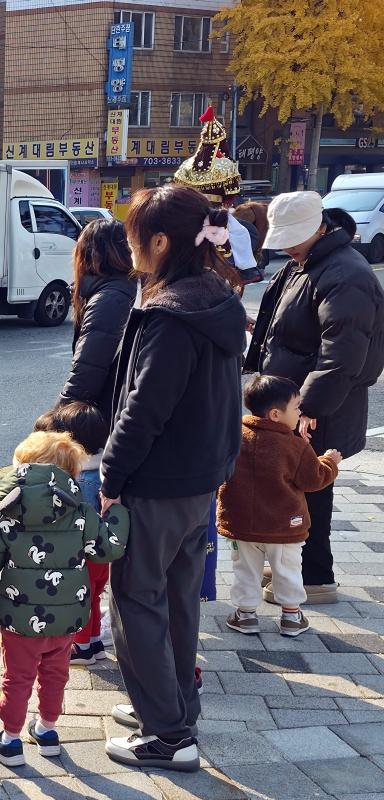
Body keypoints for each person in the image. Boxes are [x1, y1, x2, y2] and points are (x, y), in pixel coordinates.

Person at [99, 185, 245, 772]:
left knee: (136, 601)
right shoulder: (216, 298)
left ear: (160, 241)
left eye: (136, 237)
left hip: (157, 485)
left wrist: (111, 473)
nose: (131, 246)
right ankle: (174, 706)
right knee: (180, 601)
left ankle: (168, 734)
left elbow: (143, 408)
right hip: (201, 481)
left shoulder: (167, 313)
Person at [247, 191, 384, 604]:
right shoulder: (308, 263)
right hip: (295, 401)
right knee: (298, 486)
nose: (287, 245)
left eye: (294, 236)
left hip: (314, 405)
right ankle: (297, 566)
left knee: (311, 487)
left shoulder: (344, 273)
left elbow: (341, 353)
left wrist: (307, 408)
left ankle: (314, 575)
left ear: (320, 227)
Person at [0, 430, 129, 768]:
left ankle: (9, 740)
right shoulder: (81, 512)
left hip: (19, 620)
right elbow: (107, 550)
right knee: (55, 673)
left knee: (17, 677)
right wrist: (117, 513)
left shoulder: (4, 514)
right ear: (70, 474)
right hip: (68, 617)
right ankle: (47, 730)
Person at [218, 375, 341, 638]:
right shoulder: (294, 445)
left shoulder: (233, 436)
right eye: (296, 407)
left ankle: (246, 615)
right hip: (284, 526)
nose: (300, 413)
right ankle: (291, 615)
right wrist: (329, 462)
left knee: (245, 569)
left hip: (242, 525)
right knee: (287, 569)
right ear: (275, 414)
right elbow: (314, 478)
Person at [34, 401, 112, 666]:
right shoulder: (106, 472)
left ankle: (81, 647)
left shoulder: (78, 478)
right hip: (102, 553)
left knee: (78, 598)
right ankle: (94, 643)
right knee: (94, 596)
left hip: (80, 554)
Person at [59, 218, 137, 423]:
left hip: (107, 413)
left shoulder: (110, 299)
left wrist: (55, 421)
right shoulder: (124, 287)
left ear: (88, 255)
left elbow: (86, 372)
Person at [171, 106, 258, 283]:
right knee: (241, 233)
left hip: (190, 211)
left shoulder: (187, 164)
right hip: (215, 211)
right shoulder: (225, 165)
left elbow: (178, 190)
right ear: (221, 142)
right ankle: (247, 270)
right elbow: (231, 193)